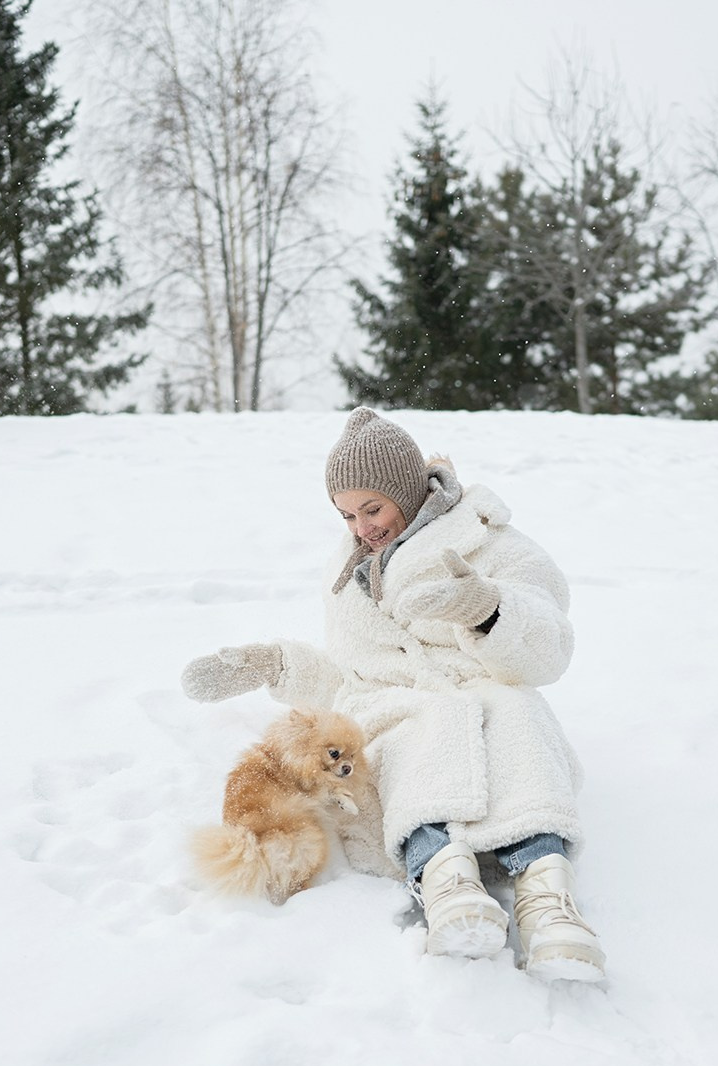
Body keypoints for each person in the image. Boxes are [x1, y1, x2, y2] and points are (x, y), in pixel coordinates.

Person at [181, 407, 605, 980]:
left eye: (372, 509)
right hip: (396, 710)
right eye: (346, 514)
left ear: (407, 489)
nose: (361, 528)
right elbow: (348, 676)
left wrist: (489, 613)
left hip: (485, 690)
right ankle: (446, 881)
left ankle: (548, 898)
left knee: (519, 717)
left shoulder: (489, 540)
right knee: (411, 736)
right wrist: (273, 664)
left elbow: (551, 646)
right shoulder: (348, 569)